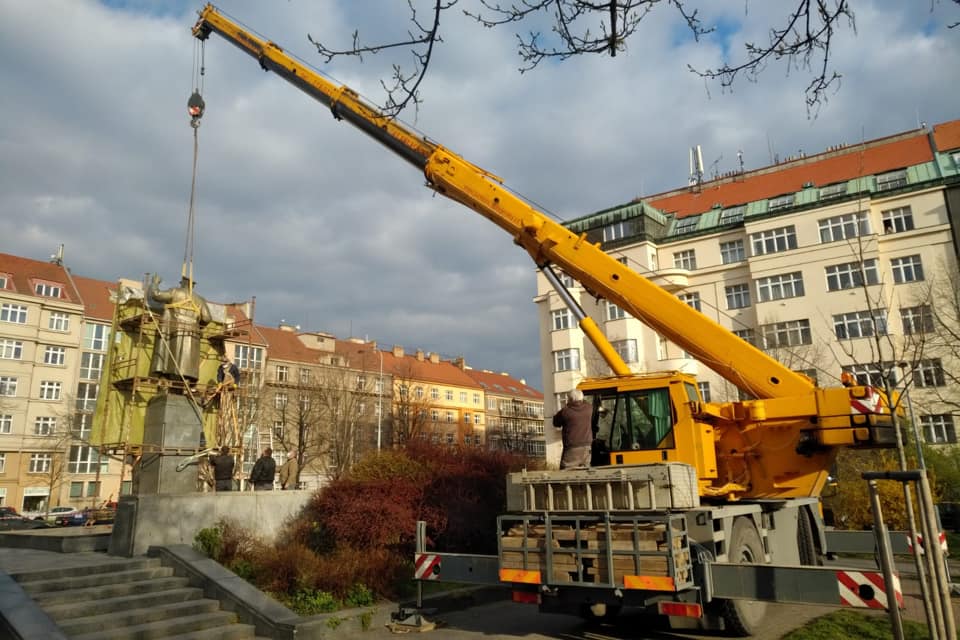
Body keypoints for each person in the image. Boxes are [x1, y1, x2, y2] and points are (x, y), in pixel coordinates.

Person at [148, 273, 212, 382]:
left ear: (183, 283)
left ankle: (167, 380)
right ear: (193, 286)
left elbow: (156, 295)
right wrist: (197, 325)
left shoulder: (175, 292)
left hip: (174, 330)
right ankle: (184, 382)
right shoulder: (200, 299)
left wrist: (155, 283)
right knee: (186, 363)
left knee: (170, 359)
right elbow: (207, 318)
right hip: (192, 333)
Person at [552, 389, 593, 469]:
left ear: (570, 400)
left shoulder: (566, 411)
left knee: (565, 473)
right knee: (584, 472)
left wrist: (567, 405)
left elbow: (555, 423)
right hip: (587, 447)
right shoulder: (589, 408)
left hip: (572, 448)